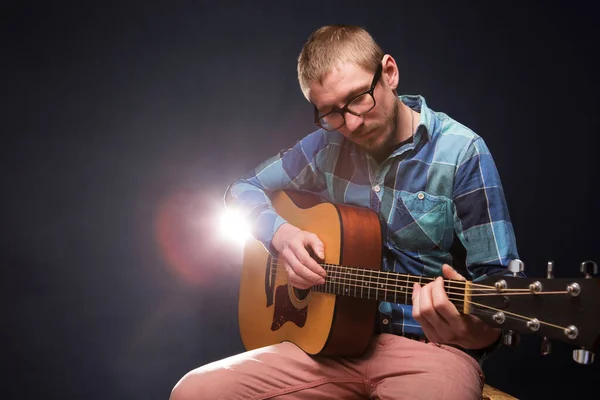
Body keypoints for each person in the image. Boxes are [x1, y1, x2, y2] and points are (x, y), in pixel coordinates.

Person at [170, 24, 520, 400]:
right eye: (331, 112)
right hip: (329, 348)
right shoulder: (326, 144)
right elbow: (240, 190)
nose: (351, 123)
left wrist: (470, 330)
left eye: (358, 99)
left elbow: (500, 285)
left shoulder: (462, 152)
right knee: (195, 391)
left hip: (429, 350)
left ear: (389, 73)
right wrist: (281, 234)